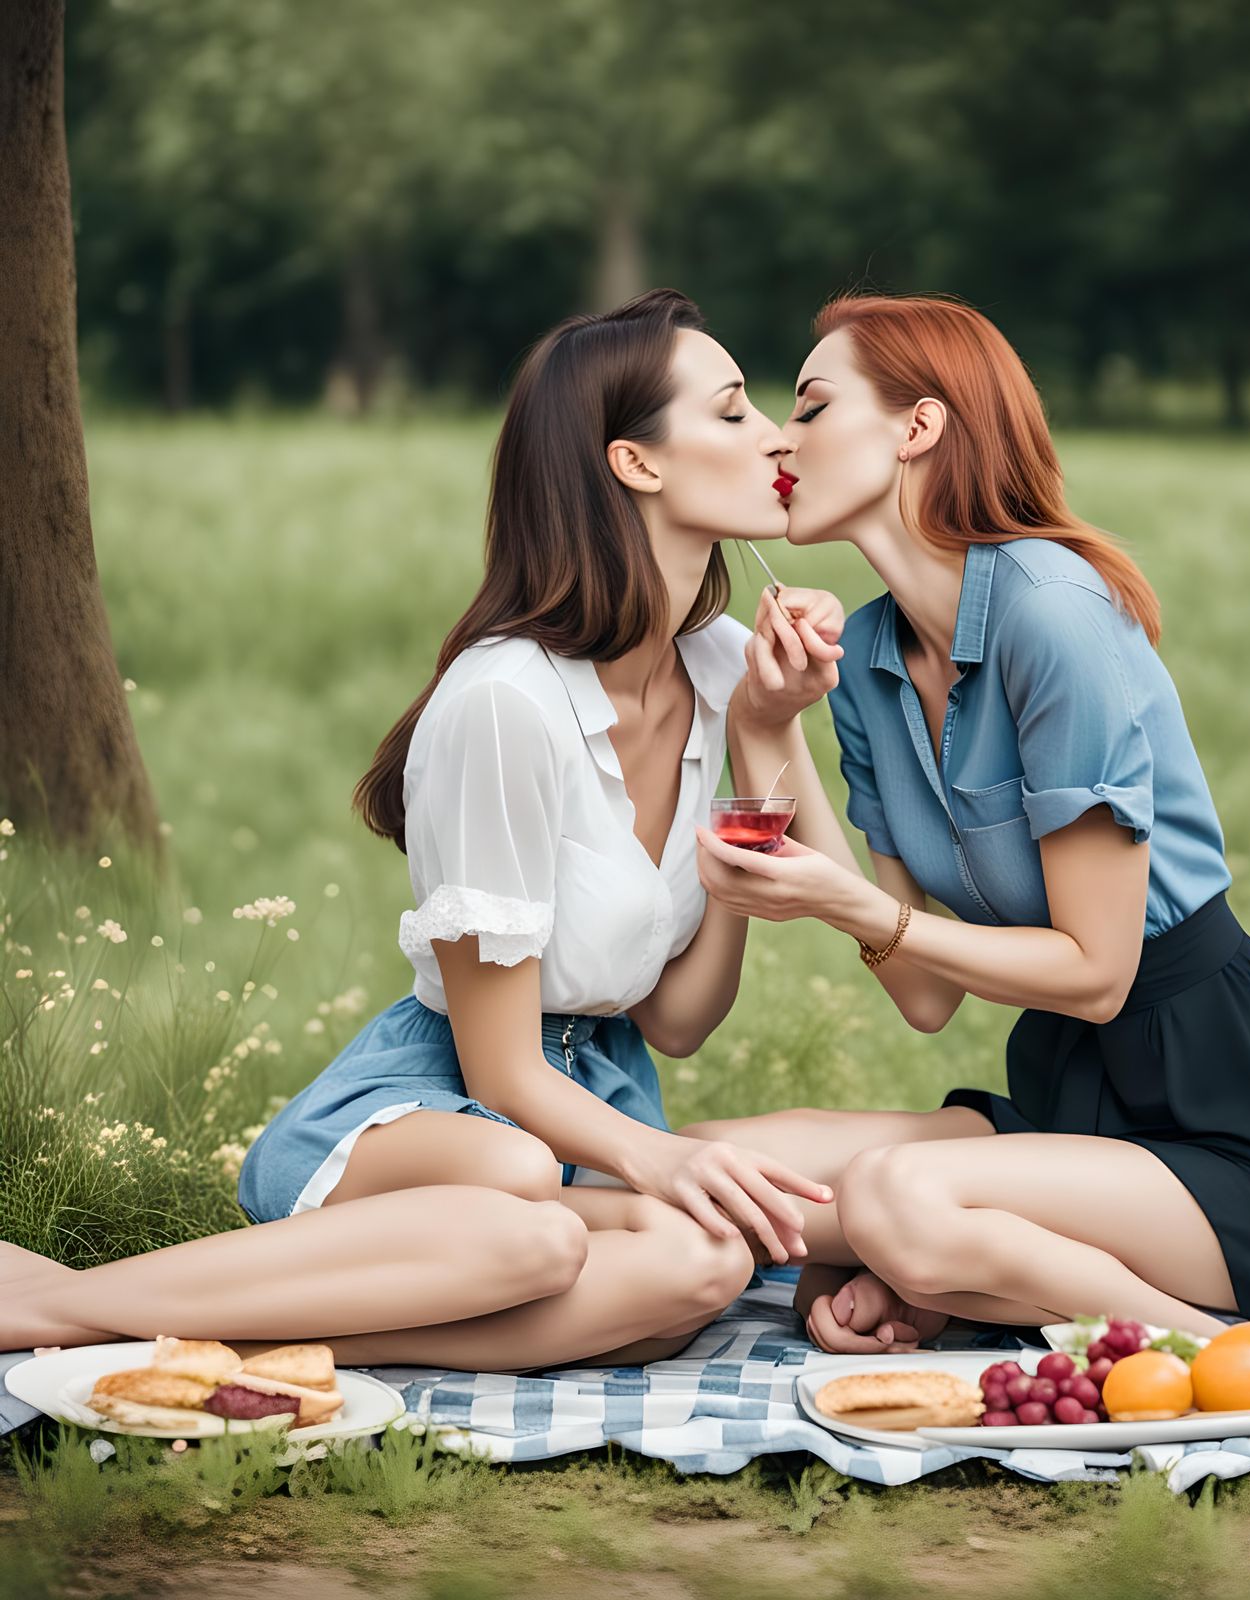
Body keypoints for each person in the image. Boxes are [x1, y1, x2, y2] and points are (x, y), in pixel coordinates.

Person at [1, 289, 839, 1372]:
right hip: (439, 1116)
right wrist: (662, 1163)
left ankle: (195, 1335)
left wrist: (763, 739)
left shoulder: (728, 666)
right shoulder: (507, 701)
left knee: (704, 1267)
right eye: (732, 413)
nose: (775, 435)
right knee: (522, 1196)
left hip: (591, 1109)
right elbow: (499, 1076)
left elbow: (678, 1019)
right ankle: (57, 1307)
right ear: (636, 464)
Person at [685, 293, 1250, 1353]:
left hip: (1221, 1120)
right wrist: (766, 722)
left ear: (917, 428)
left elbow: (1098, 973)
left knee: (886, 1204)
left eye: (811, 406)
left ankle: (1223, 1350)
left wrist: (854, 904)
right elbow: (921, 993)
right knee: (709, 1166)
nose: (781, 437)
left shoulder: (1051, 613)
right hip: (1064, 1096)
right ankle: (961, 1275)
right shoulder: (869, 659)